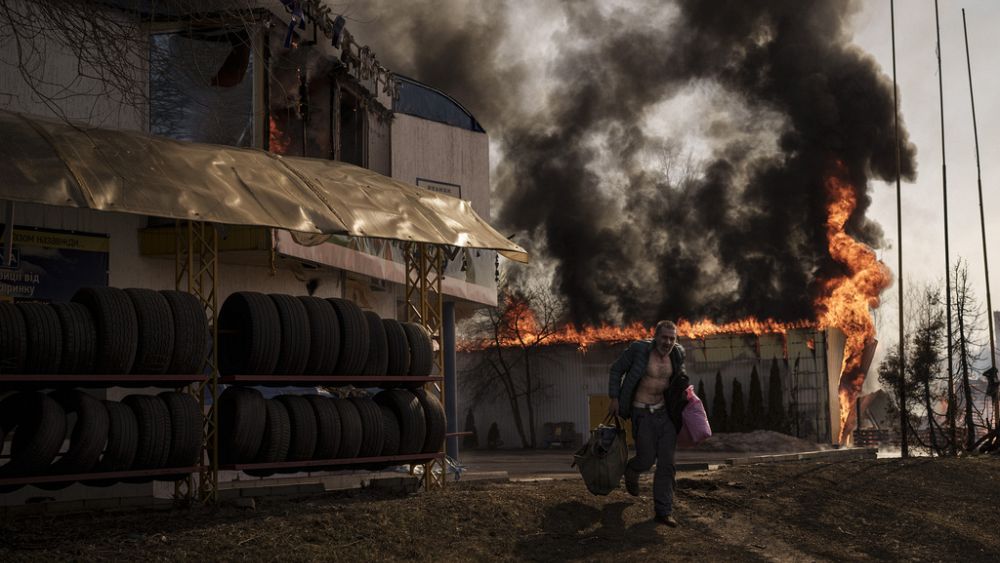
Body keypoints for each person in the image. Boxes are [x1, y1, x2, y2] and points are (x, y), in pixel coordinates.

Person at [607, 319, 689, 527]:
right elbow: (616, 370)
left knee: (667, 463)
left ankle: (663, 511)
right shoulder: (639, 350)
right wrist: (614, 398)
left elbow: (679, 380)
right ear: (655, 336)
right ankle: (632, 470)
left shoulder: (678, 354)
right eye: (664, 337)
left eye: (672, 338)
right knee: (646, 459)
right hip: (641, 413)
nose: (668, 342)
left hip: (664, 415)